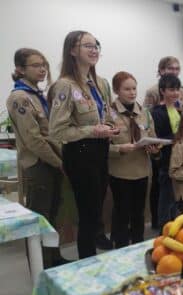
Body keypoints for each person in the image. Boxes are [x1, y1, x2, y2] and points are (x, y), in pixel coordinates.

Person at [49, 31, 119, 258]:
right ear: (72, 50)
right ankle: (87, 262)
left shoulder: (100, 83)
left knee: (97, 213)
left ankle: (90, 260)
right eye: (87, 45)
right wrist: (93, 130)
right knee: (88, 214)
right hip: (79, 154)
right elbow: (57, 130)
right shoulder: (65, 86)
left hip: (100, 150)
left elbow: (106, 114)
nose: (94, 49)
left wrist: (110, 126)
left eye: (96, 45)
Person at [6, 48, 69, 267]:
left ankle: (53, 256)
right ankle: (39, 263)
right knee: (40, 215)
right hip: (39, 164)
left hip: (51, 161)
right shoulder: (19, 98)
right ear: (20, 69)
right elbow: (33, 140)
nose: (42, 69)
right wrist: (59, 162)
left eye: (43, 65)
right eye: (35, 65)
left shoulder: (38, 95)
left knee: (53, 211)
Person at [108, 71, 159, 248]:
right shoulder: (108, 113)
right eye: (126, 89)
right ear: (116, 90)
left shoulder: (144, 112)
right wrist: (119, 148)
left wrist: (154, 147)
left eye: (134, 88)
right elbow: (101, 147)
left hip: (142, 170)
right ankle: (120, 246)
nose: (132, 92)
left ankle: (138, 244)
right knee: (122, 211)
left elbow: (152, 135)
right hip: (120, 171)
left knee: (139, 213)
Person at [144, 56, 183, 230]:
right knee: (165, 196)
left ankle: (174, 225)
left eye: (177, 89)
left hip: (179, 158)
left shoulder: (178, 110)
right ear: (162, 91)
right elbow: (159, 135)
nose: (175, 93)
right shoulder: (157, 112)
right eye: (171, 90)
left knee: (175, 196)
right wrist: (175, 138)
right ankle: (163, 227)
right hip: (165, 159)